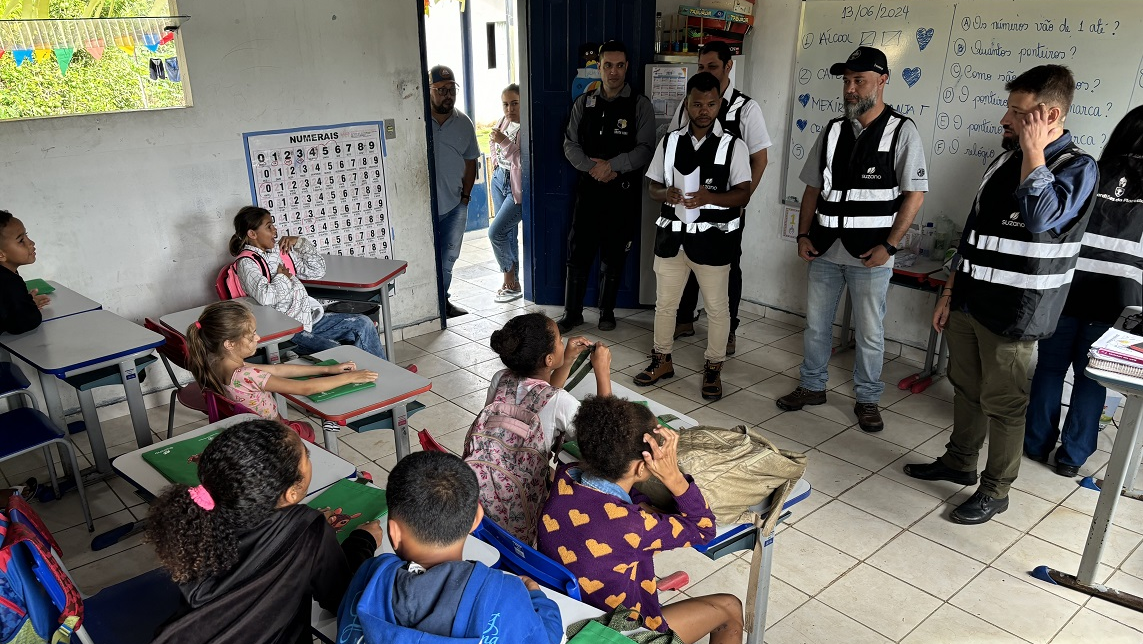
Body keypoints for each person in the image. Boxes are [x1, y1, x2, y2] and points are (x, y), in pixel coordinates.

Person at [906, 65, 1098, 525]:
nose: (1004, 121)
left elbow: (1041, 218)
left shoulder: (1078, 168)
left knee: (1006, 404)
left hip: (1016, 313)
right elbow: (974, 233)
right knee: (966, 388)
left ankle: (995, 490)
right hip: (971, 302)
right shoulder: (1003, 161)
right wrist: (950, 291)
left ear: (1050, 115)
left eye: (1017, 112)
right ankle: (959, 462)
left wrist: (1034, 152)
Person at [777, 46, 928, 433]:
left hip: (871, 255)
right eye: (846, 81)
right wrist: (803, 233)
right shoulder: (832, 131)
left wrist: (890, 246)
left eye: (859, 81)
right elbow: (812, 187)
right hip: (825, 248)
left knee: (870, 332)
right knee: (816, 326)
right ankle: (812, 386)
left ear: (882, 81)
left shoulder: (902, 130)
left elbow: (915, 194)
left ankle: (868, 398)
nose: (850, 89)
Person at [148, 418, 383, 644]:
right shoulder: (308, 529)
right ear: (292, 492)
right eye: (307, 456)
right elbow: (340, 597)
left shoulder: (200, 514)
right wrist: (363, 541)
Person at [537, 396, 741, 643]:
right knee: (730, 607)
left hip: (574, 609)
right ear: (641, 467)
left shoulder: (565, 477)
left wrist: (636, 500)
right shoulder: (634, 525)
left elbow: (611, 493)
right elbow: (705, 528)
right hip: (616, 630)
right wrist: (675, 477)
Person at [1024, 105, 1143, 478]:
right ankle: (1072, 456)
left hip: (1067, 290)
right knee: (1093, 376)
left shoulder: (1090, 171)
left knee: (1050, 367)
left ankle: (1035, 442)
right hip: (1119, 300)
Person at [337, 451, 562, 644]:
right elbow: (545, 637)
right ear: (477, 519)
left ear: (393, 533)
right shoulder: (506, 594)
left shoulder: (370, 575)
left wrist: (362, 542)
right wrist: (536, 598)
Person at [635, 72, 752, 401]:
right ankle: (662, 360)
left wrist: (710, 198)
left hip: (714, 244)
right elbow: (653, 186)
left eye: (711, 104)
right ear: (687, 105)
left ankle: (713, 367)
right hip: (672, 241)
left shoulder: (734, 146)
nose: (704, 110)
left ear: (719, 104)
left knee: (717, 309)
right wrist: (665, 193)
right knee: (665, 306)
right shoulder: (670, 141)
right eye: (697, 104)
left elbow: (742, 194)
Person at [669, 41, 773, 355]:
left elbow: (760, 159)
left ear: (729, 67)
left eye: (712, 67)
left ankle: (728, 330)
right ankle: (684, 318)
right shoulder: (687, 102)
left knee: (728, 267)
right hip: (689, 203)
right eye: (701, 67)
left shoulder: (745, 108)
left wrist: (740, 200)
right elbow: (675, 145)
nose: (706, 72)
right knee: (686, 259)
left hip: (725, 206)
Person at [558, 40, 655, 333]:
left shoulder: (639, 104)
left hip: (622, 194)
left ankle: (607, 313)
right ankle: (572, 313)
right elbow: (570, 144)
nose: (614, 72)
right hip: (589, 191)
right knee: (578, 253)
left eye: (620, 65)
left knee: (614, 254)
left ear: (627, 67)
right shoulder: (583, 103)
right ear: (598, 67)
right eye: (608, 65)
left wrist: (612, 166)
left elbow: (646, 148)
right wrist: (594, 168)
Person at [186, 300, 378, 442]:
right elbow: (306, 389)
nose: (258, 337)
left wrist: (327, 368)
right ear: (229, 343)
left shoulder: (215, 363)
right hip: (272, 436)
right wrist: (350, 377)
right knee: (308, 430)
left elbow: (278, 369)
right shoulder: (246, 375)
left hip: (247, 434)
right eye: (251, 334)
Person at [229, 206, 387, 359]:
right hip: (287, 332)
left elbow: (317, 271)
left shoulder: (278, 252)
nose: (275, 230)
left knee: (363, 323)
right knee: (338, 351)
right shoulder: (247, 263)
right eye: (269, 227)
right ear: (252, 234)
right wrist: (283, 277)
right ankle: (369, 376)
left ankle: (385, 373)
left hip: (307, 320)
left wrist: (300, 243)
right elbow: (266, 297)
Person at [487, 312, 613, 449]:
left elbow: (541, 396)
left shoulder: (500, 378)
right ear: (549, 359)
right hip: (526, 470)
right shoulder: (561, 402)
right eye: (559, 340)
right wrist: (602, 371)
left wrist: (568, 358)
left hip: (485, 466)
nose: (563, 341)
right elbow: (604, 436)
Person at [428, 64, 481, 318]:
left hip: (454, 205)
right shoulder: (416, 120)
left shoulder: (464, 123)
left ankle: (442, 304)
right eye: (441, 90)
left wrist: (465, 198)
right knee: (427, 259)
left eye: (451, 89)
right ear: (429, 91)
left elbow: (472, 161)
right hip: (424, 209)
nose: (447, 95)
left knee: (448, 259)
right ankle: (428, 305)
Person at [488, 84, 525, 303]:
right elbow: (493, 142)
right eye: (505, 104)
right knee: (509, 234)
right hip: (499, 180)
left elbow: (523, 162)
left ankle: (509, 277)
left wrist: (504, 142)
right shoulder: (503, 123)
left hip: (515, 187)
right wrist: (495, 164)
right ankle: (514, 284)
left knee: (496, 233)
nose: (509, 109)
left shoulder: (526, 127)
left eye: (514, 103)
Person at [0, 210, 48, 334]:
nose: (31, 243)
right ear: (1, 254)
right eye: (21, 240)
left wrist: (25, 303)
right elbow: (25, 323)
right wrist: (30, 308)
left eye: (27, 235)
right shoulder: (9, 282)